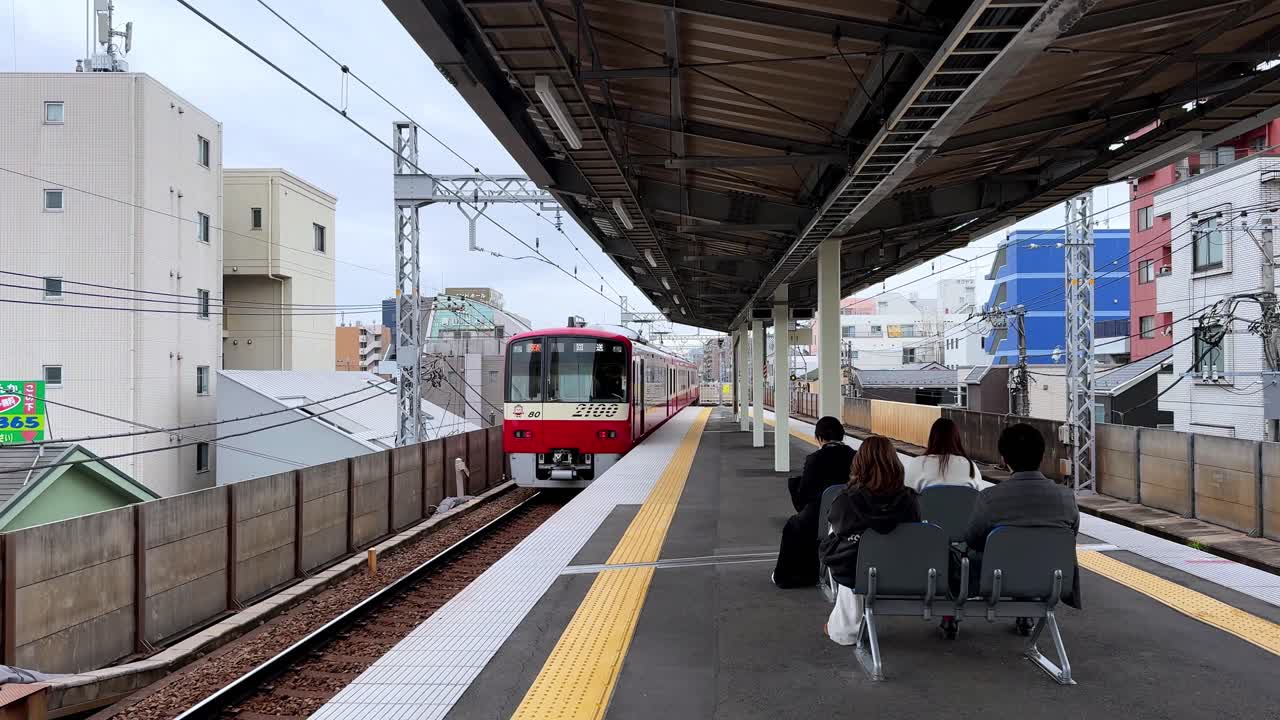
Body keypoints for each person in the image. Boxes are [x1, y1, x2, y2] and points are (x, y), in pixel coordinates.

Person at [963, 423, 1082, 632]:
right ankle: (1026, 612)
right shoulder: (1066, 497)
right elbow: (1071, 534)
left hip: (998, 577)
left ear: (1004, 459)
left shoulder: (989, 498)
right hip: (1050, 578)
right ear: (1042, 456)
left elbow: (972, 539)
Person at [820, 436, 920, 645]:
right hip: (901, 570)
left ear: (859, 464)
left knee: (845, 543)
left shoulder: (846, 500)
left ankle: (846, 628)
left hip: (857, 571)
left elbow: (836, 533)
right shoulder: (910, 500)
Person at [771, 417, 855, 588]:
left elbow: (803, 496)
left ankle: (792, 575)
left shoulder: (814, 459)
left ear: (819, 438)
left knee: (793, 525)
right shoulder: (855, 456)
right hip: (851, 518)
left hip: (820, 519)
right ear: (842, 436)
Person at [904, 417, 982, 491]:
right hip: (964, 505)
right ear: (956, 439)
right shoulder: (971, 466)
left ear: (932, 438)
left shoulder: (917, 463)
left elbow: (907, 497)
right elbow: (979, 497)